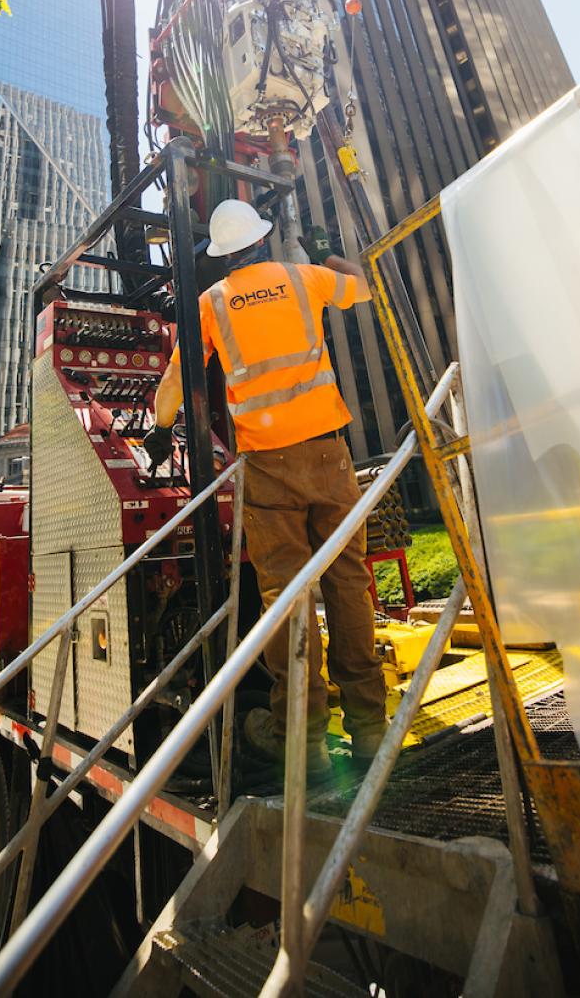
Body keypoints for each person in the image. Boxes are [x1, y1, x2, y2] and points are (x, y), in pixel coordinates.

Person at [144, 198, 388, 777]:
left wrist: (158, 428)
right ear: (260, 242)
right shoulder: (305, 278)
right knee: (348, 580)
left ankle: (303, 741)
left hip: (268, 466)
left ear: (222, 256)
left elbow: (180, 377)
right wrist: (332, 254)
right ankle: (372, 729)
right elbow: (366, 287)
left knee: (286, 596)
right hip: (328, 452)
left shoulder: (211, 302)